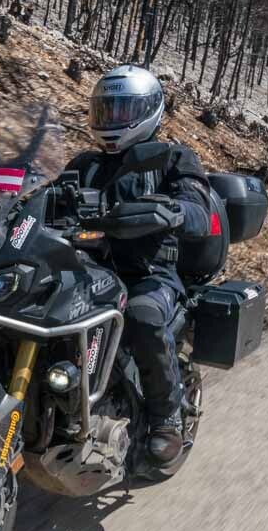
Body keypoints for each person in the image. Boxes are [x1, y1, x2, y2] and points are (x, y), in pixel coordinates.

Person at [63, 65, 215, 465]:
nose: (112, 119)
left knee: (143, 317)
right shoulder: (85, 164)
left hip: (151, 275)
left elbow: (200, 212)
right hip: (87, 271)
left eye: (122, 110)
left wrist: (173, 211)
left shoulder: (173, 158)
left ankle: (167, 417)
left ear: (148, 112)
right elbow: (43, 198)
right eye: (106, 110)